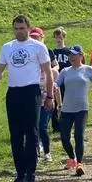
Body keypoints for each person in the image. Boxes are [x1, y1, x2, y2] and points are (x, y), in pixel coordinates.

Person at [0, 15, 54, 182]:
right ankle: (20, 175)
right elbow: (0, 68)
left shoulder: (38, 47)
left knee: (31, 134)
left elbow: (48, 73)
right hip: (14, 92)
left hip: (31, 91)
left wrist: (49, 96)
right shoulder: (7, 47)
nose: (19, 31)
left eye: (22, 28)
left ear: (28, 28)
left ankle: (31, 176)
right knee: (16, 135)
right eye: (16, 28)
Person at [57, 45, 92, 176]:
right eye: (70, 55)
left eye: (74, 54)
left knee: (79, 135)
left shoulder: (88, 70)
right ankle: (72, 158)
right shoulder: (65, 71)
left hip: (81, 109)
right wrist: (52, 86)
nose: (71, 57)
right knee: (64, 137)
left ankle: (79, 163)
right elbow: (57, 83)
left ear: (81, 55)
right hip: (67, 109)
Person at [31, 28, 61, 163]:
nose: (35, 39)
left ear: (42, 37)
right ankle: (36, 151)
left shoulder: (47, 51)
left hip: (47, 95)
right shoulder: (29, 52)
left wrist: (51, 72)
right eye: (32, 37)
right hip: (34, 97)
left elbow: (56, 66)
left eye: (37, 37)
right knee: (34, 126)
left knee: (42, 125)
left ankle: (47, 153)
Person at [51, 27, 70, 135]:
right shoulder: (53, 52)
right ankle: (56, 126)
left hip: (66, 81)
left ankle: (66, 123)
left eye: (60, 37)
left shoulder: (68, 51)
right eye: (57, 37)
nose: (58, 39)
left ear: (64, 37)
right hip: (55, 81)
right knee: (54, 103)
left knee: (65, 103)